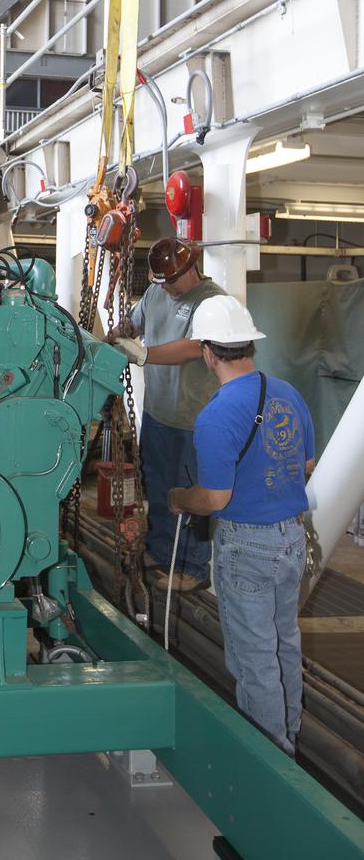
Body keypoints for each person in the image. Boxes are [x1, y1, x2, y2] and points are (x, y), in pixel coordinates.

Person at [167, 295, 315, 756]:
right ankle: (289, 734)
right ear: (249, 344)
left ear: (208, 353)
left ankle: (272, 763)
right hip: (292, 539)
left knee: (254, 661)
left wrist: (177, 500)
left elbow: (214, 498)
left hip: (246, 547)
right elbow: (306, 461)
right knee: (284, 643)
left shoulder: (215, 415)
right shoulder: (287, 393)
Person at [111, 237, 223, 591]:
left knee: (190, 495)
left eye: (173, 280)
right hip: (158, 413)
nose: (169, 288)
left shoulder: (212, 301)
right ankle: (161, 550)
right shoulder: (156, 293)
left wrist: (144, 355)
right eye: (163, 282)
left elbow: (194, 347)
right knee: (158, 487)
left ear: (191, 268)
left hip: (194, 420)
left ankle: (193, 567)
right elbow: (134, 323)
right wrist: (114, 338)